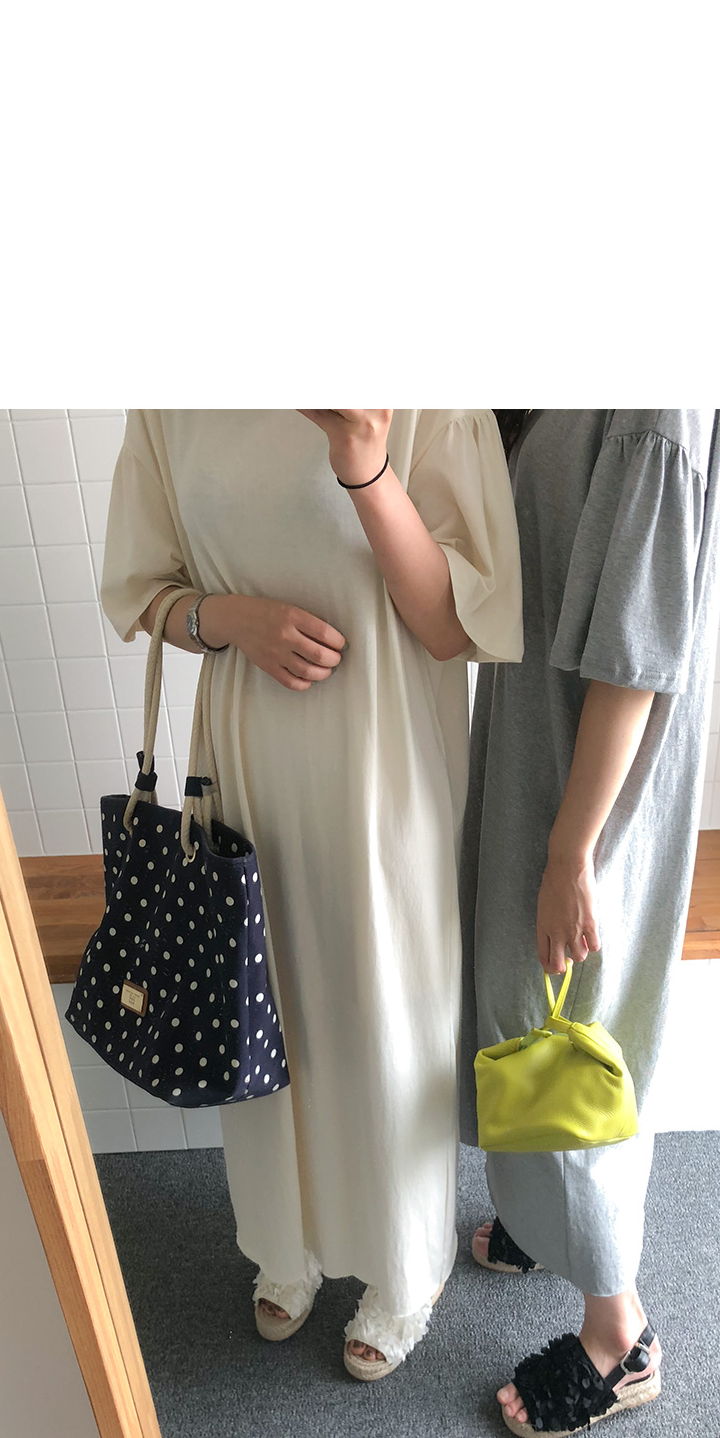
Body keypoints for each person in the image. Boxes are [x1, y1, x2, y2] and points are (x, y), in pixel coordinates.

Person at [100, 409, 522, 1379]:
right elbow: (141, 588)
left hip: (384, 761)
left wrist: (364, 463)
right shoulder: (173, 394)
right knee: (262, 1001)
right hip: (247, 757)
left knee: (384, 1010)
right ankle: (284, 1240)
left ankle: (402, 1267)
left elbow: (457, 622)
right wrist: (228, 619)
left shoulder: (420, 385)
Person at [458, 409, 720, 1438]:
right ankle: (539, 1215)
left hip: (586, 782)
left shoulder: (656, 394)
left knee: (570, 1032)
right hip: (546, 749)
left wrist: (572, 851)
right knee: (523, 1006)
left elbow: (635, 657)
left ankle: (619, 1333)